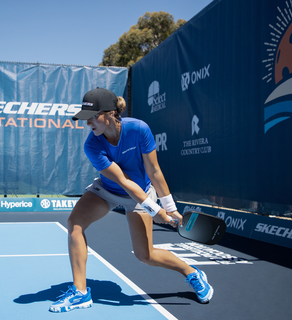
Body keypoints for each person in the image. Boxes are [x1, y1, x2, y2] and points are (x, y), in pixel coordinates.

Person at [48, 88, 213, 313]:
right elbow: (124, 182)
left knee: (146, 256)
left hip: (141, 193)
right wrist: (155, 210)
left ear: (111, 113)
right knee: (74, 224)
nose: (89, 124)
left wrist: (169, 207)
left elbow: (154, 170)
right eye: (86, 119)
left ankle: (192, 273)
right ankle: (80, 292)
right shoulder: (92, 145)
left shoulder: (138, 129)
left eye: (94, 117)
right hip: (108, 190)